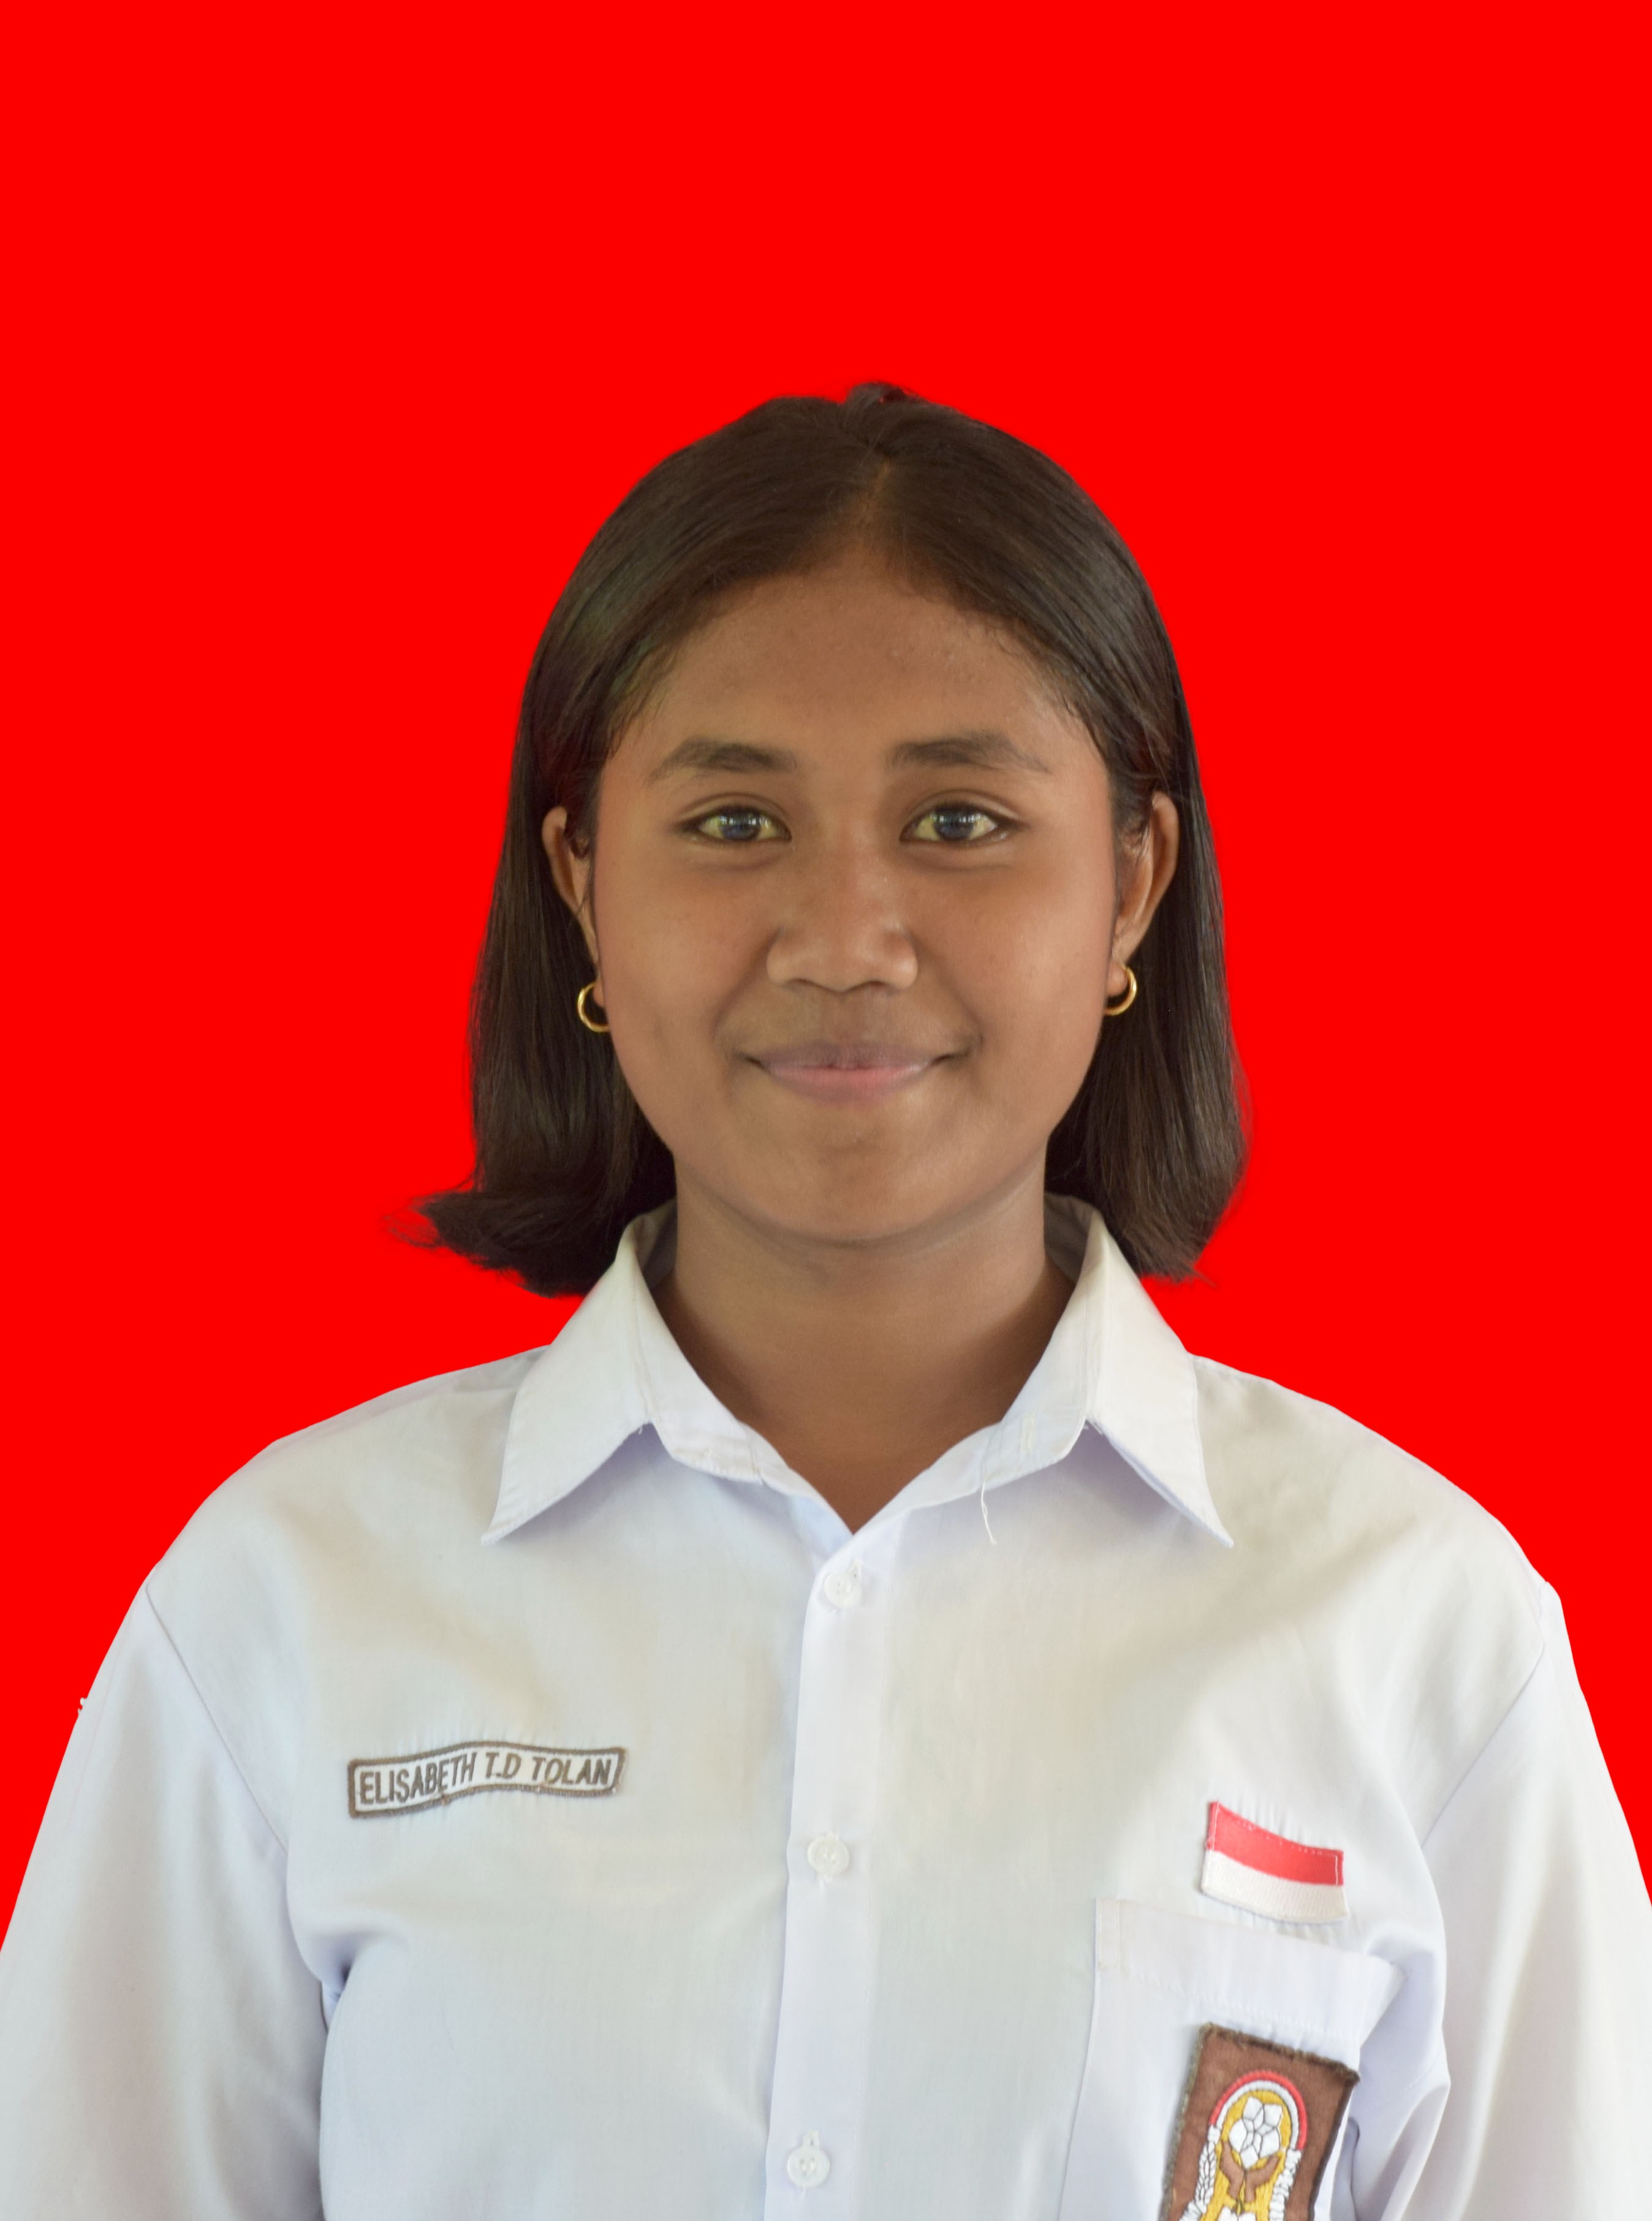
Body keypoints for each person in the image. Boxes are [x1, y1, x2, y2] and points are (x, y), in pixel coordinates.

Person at [0, 387, 1645, 2219]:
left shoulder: (1421, 1635)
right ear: (582, 883)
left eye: (958, 818)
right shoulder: (288, 1605)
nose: (847, 937)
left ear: (1132, 886)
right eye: (734, 820)